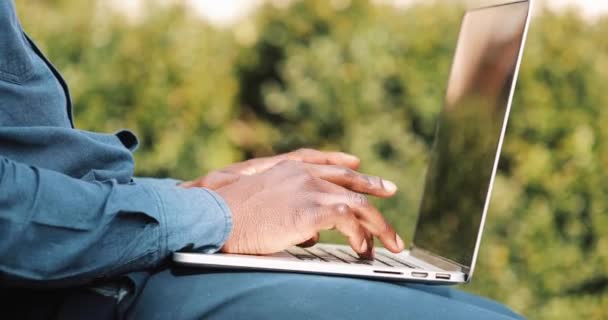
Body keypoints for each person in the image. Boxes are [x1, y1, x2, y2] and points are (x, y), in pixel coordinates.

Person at [0, 1, 524, 319]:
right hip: (77, 291)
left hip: (97, 265)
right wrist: (215, 214)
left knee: (479, 310)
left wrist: (187, 197)